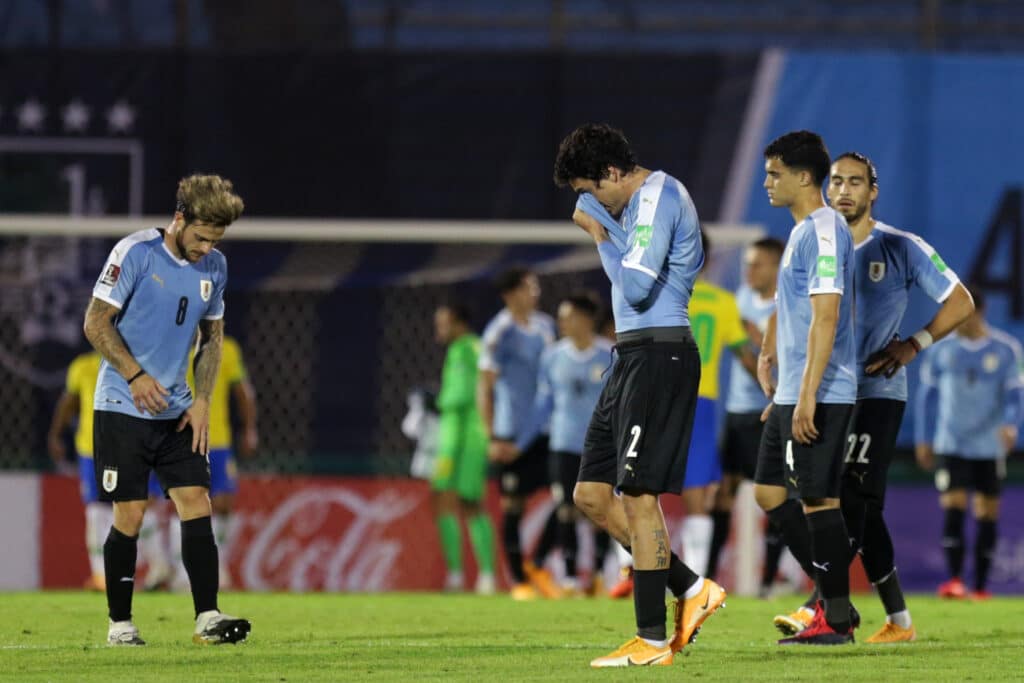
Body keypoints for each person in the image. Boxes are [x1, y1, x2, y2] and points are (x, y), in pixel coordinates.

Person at [555, 122, 725, 668]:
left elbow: (633, 287)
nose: (590, 201)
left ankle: (651, 642)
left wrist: (599, 225)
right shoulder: (631, 207)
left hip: (660, 355)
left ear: (611, 173)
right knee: (590, 495)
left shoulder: (657, 198)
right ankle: (692, 587)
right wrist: (603, 221)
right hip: (629, 356)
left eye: (592, 189)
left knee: (639, 496)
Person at [82, 174, 250, 646]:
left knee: (197, 501)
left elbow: (212, 340)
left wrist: (202, 401)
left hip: (177, 409)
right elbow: (95, 323)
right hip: (122, 402)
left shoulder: (215, 266)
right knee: (131, 513)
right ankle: (120, 625)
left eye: (215, 240)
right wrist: (135, 376)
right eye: (200, 237)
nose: (205, 248)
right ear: (179, 219)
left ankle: (208, 618)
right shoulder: (135, 253)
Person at [824, 152, 973, 641]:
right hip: (825, 392)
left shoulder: (900, 247)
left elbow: (960, 301)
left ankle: (822, 606)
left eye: (855, 182)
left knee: (853, 496)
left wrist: (915, 343)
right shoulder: (814, 243)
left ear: (873, 191)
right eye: (836, 181)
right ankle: (899, 621)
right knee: (853, 506)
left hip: (877, 390)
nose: (844, 190)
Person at [753, 130, 857, 645]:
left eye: (774, 173)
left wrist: (809, 393)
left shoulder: (823, 231)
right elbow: (789, 308)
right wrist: (770, 355)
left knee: (818, 499)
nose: (767, 182)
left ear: (803, 177)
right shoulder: (800, 232)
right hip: (792, 389)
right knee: (769, 490)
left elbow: (826, 315)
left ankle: (834, 618)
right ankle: (827, 592)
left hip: (823, 389)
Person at [915, 286, 1022, 600]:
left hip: (989, 445)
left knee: (987, 510)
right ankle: (955, 580)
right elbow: (926, 397)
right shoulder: (940, 351)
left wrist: (1011, 425)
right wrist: (923, 437)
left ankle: (980, 587)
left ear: (978, 311)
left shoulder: (1006, 350)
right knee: (954, 505)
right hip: (951, 443)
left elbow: (1016, 395)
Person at [707, 237, 788, 594]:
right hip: (737, 413)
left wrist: (757, 342)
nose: (749, 270)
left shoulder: (788, 304)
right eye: (747, 264)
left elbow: (796, 363)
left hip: (769, 412)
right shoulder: (736, 300)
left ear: (775, 266)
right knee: (722, 495)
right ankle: (705, 580)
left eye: (757, 264)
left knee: (775, 496)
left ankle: (769, 581)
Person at [522, 292, 613, 594]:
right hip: (562, 444)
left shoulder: (609, 355)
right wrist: (522, 440)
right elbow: (542, 404)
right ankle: (571, 578)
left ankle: (599, 576)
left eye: (568, 316)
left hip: (600, 445)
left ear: (586, 320)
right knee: (565, 509)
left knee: (602, 509)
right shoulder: (552, 357)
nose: (561, 323)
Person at [476, 266, 558, 599]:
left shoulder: (546, 327)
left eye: (535, 286)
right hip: (510, 432)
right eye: (528, 287)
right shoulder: (499, 332)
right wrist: (491, 436)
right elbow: (485, 387)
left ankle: (537, 564)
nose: (534, 293)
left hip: (545, 429)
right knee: (513, 504)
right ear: (510, 294)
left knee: (571, 496)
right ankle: (519, 582)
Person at [679, 232, 757, 577]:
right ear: (708, 261)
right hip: (701, 402)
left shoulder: (662, 297)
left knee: (637, 486)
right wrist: (779, 389)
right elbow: (745, 357)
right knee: (697, 493)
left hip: (659, 400)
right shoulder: (724, 303)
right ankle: (695, 581)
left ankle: (629, 572)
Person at [431, 303, 497, 595]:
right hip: (450, 436)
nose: (439, 330)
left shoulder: (472, 347)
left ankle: (486, 575)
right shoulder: (457, 350)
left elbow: (484, 385)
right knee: (443, 499)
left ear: (459, 323)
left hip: (468, 437)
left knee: (470, 501)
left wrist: (487, 430)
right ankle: (456, 575)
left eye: (443, 323)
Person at [47, 350, 111, 591]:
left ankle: (146, 569)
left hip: (127, 447)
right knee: (96, 511)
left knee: (128, 510)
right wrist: (55, 434)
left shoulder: (135, 362)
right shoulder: (83, 367)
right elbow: (69, 402)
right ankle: (101, 576)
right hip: (90, 449)